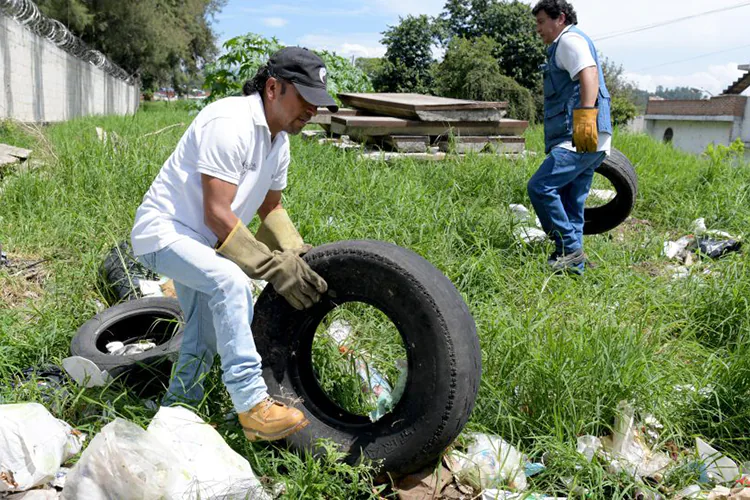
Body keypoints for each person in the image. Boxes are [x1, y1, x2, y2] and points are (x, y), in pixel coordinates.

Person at [130, 46, 338, 442]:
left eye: (318, 102)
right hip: (164, 232)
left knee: (202, 336)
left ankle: (178, 412)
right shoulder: (230, 122)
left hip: (202, 244)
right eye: (306, 98)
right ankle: (252, 406)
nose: (313, 110)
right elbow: (217, 214)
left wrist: (297, 254)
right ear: (274, 88)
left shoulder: (279, 141)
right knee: (231, 282)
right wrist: (272, 268)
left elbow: (270, 206)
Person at [528, 0, 612, 274]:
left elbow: (589, 75)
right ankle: (574, 269)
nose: (538, 29)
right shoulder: (565, 43)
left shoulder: (569, 41)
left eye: (541, 22)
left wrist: (585, 122)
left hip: (580, 132)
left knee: (540, 187)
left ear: (560, 18)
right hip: (590, 134)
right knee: (571, 201)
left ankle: (568, 248)